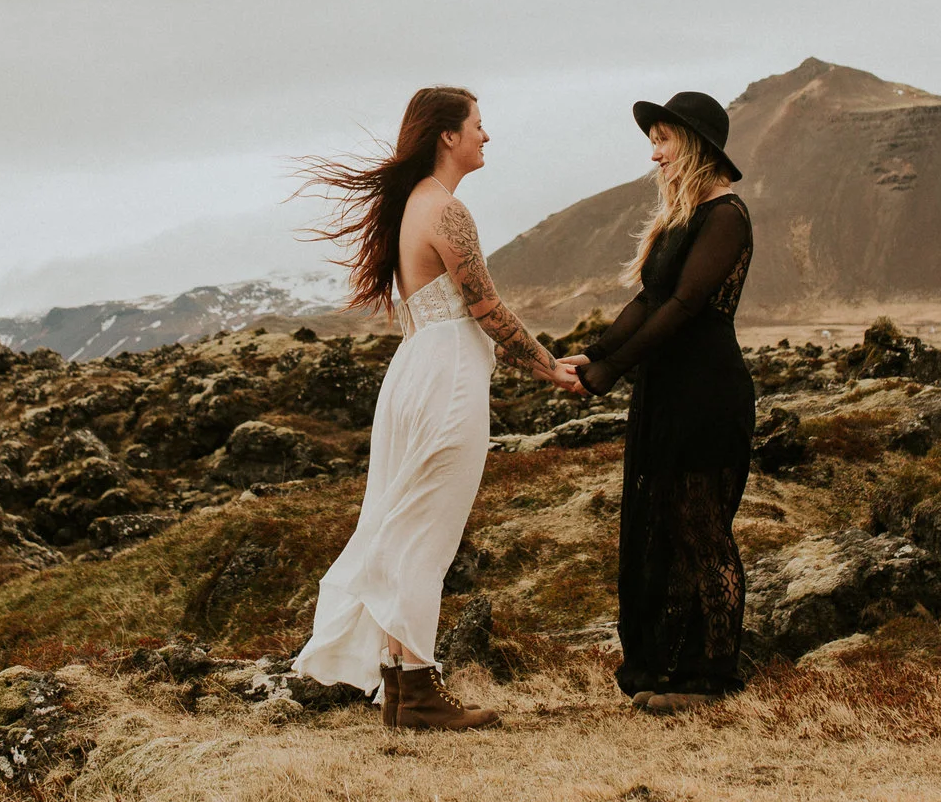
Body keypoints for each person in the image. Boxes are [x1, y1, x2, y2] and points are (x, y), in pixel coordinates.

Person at [293, 86, 581, 730]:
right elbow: (486, 308)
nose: (487, 136)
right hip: (446, 377)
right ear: (448, 135)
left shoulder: (414, 207)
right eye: (479, 125)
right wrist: (548, 367)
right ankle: (417, 690)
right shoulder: (447, 212)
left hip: (418, 371)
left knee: (407, 528)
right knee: (427, 534)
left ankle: (402, 686)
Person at [565, 91, 757, 713]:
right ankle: (669, 670)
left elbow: (684, 306)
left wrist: (613, 370)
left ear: (695, 144)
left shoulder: (726, 216)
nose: (653, 154)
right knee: (667, 530)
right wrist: (592, 356)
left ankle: (712, 679)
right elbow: (648, 303)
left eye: (663, 139)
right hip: (667, 391)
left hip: (706, 390)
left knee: (703, 532)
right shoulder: (678, 219)